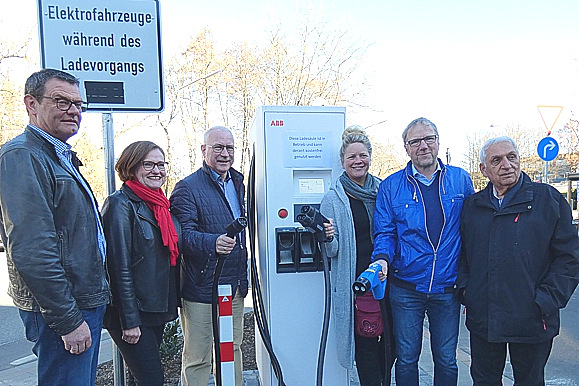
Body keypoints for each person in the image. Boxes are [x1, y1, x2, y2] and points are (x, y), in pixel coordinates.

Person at [0, 68, 109, 385]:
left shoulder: (57, 156)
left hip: (80, 303)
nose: (74, 110)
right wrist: (67, 319)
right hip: (63, 310)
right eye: (61, 101)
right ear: (31, 104)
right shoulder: (22, 156)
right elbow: (32, 249)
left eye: (78, 104)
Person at [457, 136, 579, 385]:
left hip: (532, 319)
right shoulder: (473, 206)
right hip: (485, 319)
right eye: (497, 160)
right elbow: (463, 255)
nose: (507, 165)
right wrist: (467, 291)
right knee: (484, 380)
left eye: (512, 157)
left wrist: (547, 299)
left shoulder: (548, 200)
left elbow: (570, 257)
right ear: (484, 169)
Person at [372, 117, 474, 385]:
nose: (423, 146)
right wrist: (381, 259)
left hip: (447, 289)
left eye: (428, 138)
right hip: (406, 289)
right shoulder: (390, 186)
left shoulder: (460, 180)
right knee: (406, 358)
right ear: (406, 148)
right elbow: (384, 233)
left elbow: (473, 230)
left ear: (438, 142)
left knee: (447, 359)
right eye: (415, 141)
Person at [170, 126, 248, 386]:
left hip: (233, 286)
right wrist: (213, 242)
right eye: (218, 147)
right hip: (202, 287)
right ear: (204, 150)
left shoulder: (238, 183)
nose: (225, 154)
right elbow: (182, 236)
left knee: (231, 351)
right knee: (198, 357)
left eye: (229, 148)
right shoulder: (187, 188)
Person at [320, 126, 395, 385]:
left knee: (391, 345)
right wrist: (328, 236)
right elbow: (332, 251)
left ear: (370, 157)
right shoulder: (334, 199)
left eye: (362, 155)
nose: (358, 161)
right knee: (366, 345)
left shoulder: (383, 191)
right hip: (359, 284)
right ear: (343, 161)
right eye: (351, 157)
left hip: (387, 280)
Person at [101, 141, 180, 385]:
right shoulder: (120, 205)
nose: (157, 170)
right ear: (132, 167)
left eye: (161, 164)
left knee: (143, 379)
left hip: (153, 309)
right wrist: (130, 320)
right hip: (133, 313)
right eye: (148, 164)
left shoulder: (159, 204)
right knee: (152, 380)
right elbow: (118, 267)